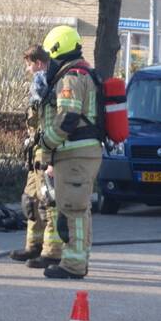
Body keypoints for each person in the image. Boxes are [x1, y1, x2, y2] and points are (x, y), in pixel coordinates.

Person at [35, 25, 104, 279]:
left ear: (56, 50)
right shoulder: (82, 73)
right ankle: (77, 260)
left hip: (76, 153)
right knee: (79, 208)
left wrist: (46, 143)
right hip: (82, 153)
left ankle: (73, 265)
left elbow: (68, 117)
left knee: (73, 208)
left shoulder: (71, 78)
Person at [11, 44, 64, 265]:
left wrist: (51, 155)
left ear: (39, 63)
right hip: (36, 153)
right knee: (31, 201)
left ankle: (51, 252)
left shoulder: (52, 87)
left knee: (48, 203)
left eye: (29, 65)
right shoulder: (39, 87)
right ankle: (33, 246)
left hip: (49, 152)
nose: (28, 70)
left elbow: (54, 123)